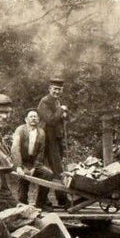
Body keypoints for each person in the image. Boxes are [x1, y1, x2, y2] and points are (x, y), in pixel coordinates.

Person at [11, 109, 58, 208]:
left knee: (48, 174)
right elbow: (15, 149)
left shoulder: (41, 132)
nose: (33, 118)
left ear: (38, 119)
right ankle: (22, 204)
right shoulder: (20, 130)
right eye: (31, 116)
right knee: (23, 182)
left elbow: (41, 152)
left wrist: (34, 167)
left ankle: (41, 202)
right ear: (26, 119)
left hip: (34, 163)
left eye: (35, 116)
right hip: (22, 162)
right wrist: (19, 166)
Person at [36, 77, 70, 208]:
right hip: (47, 140)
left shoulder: (57, 102)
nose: (57, 91)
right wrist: (61, 110)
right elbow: (50, 120)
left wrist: (65, 113)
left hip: (56, 139)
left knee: (58, 169)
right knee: (49, 171)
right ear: (50, 89)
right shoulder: (44, 102)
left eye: (59, 89)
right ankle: (42, 201)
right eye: (55, 89)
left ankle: (61, 199)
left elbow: (61, 119)